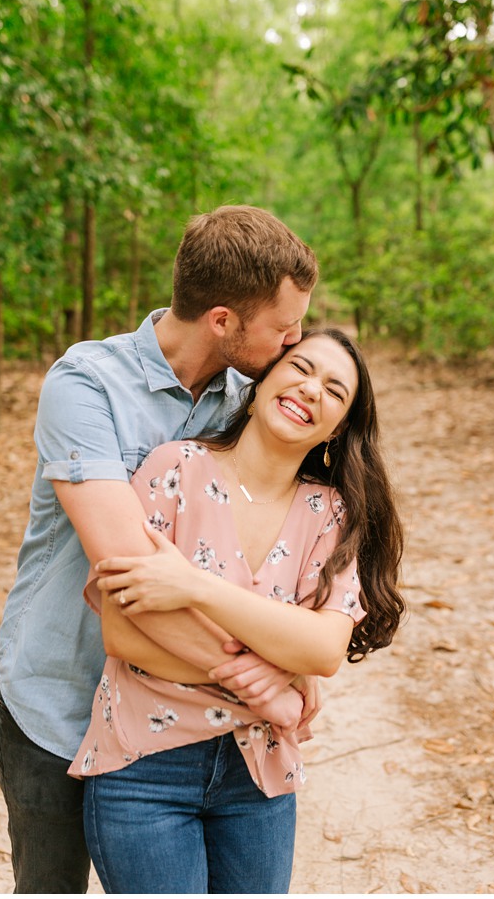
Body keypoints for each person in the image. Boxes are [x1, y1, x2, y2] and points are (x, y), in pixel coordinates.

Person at [0, 205, 321, 892]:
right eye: (284, 327)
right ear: (223, 321)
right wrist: (263, 682)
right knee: (48, 885)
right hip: (60, 698)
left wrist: (296, 662)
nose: (297, 341)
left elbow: (279, 537)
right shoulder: (87, 385)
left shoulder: (252, 398)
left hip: (172, 720)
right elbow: (130, 574)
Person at [72, 329, 406, 893]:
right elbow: (123, 634)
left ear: (341, 426)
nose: (310, 389)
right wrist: (272, 677)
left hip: (259, 773)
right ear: (260, 383)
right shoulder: (173, 470)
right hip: (144, 768)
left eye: (335, 390)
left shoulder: (330, 512)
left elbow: (324, 650)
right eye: (300, 368)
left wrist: (194, 588)